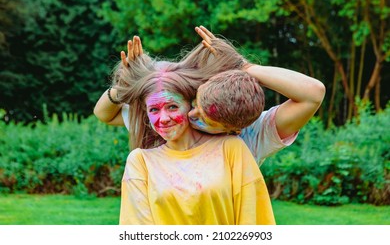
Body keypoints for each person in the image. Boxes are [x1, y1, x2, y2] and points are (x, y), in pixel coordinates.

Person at [94, 27, 325, 165]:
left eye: (205, 119)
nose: (193, 114)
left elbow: (313, 93)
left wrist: (244, 66)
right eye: (194, 103)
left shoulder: (251, 136)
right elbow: (104, 114)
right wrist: (125, 88)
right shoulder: (172, 123)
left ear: (233, 128)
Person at [111, 52, 275, 224]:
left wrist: (245, 66)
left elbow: (253, 217)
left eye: (173, 106)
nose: (164, 118)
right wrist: (125, 81)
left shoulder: (232, 148)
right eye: (153, 110)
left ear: (191, 105)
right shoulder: (140, 161)